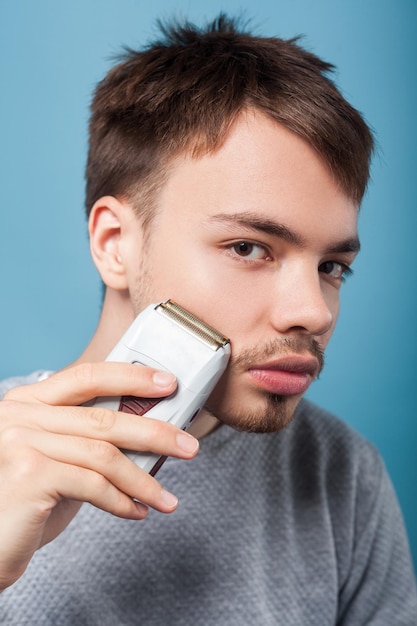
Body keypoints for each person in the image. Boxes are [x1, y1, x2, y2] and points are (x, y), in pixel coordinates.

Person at [0, 13, 416, 625]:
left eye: (332, 266)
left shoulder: (343, 473)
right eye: (249, 248)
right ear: (116, 243)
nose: (312, 311)